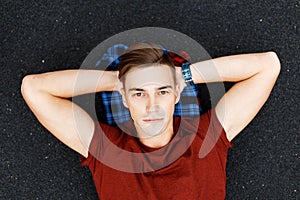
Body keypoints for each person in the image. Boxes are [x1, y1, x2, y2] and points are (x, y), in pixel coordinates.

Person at [21, 42, 280, 199]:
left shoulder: (206, 137)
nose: (152, 105)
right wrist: (119, 81)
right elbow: (33, 88)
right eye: (139, 93)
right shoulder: (106, 150)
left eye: (162, 91)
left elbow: (268, 65)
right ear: (124, 98)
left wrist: (183, 75)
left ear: (176, 93)